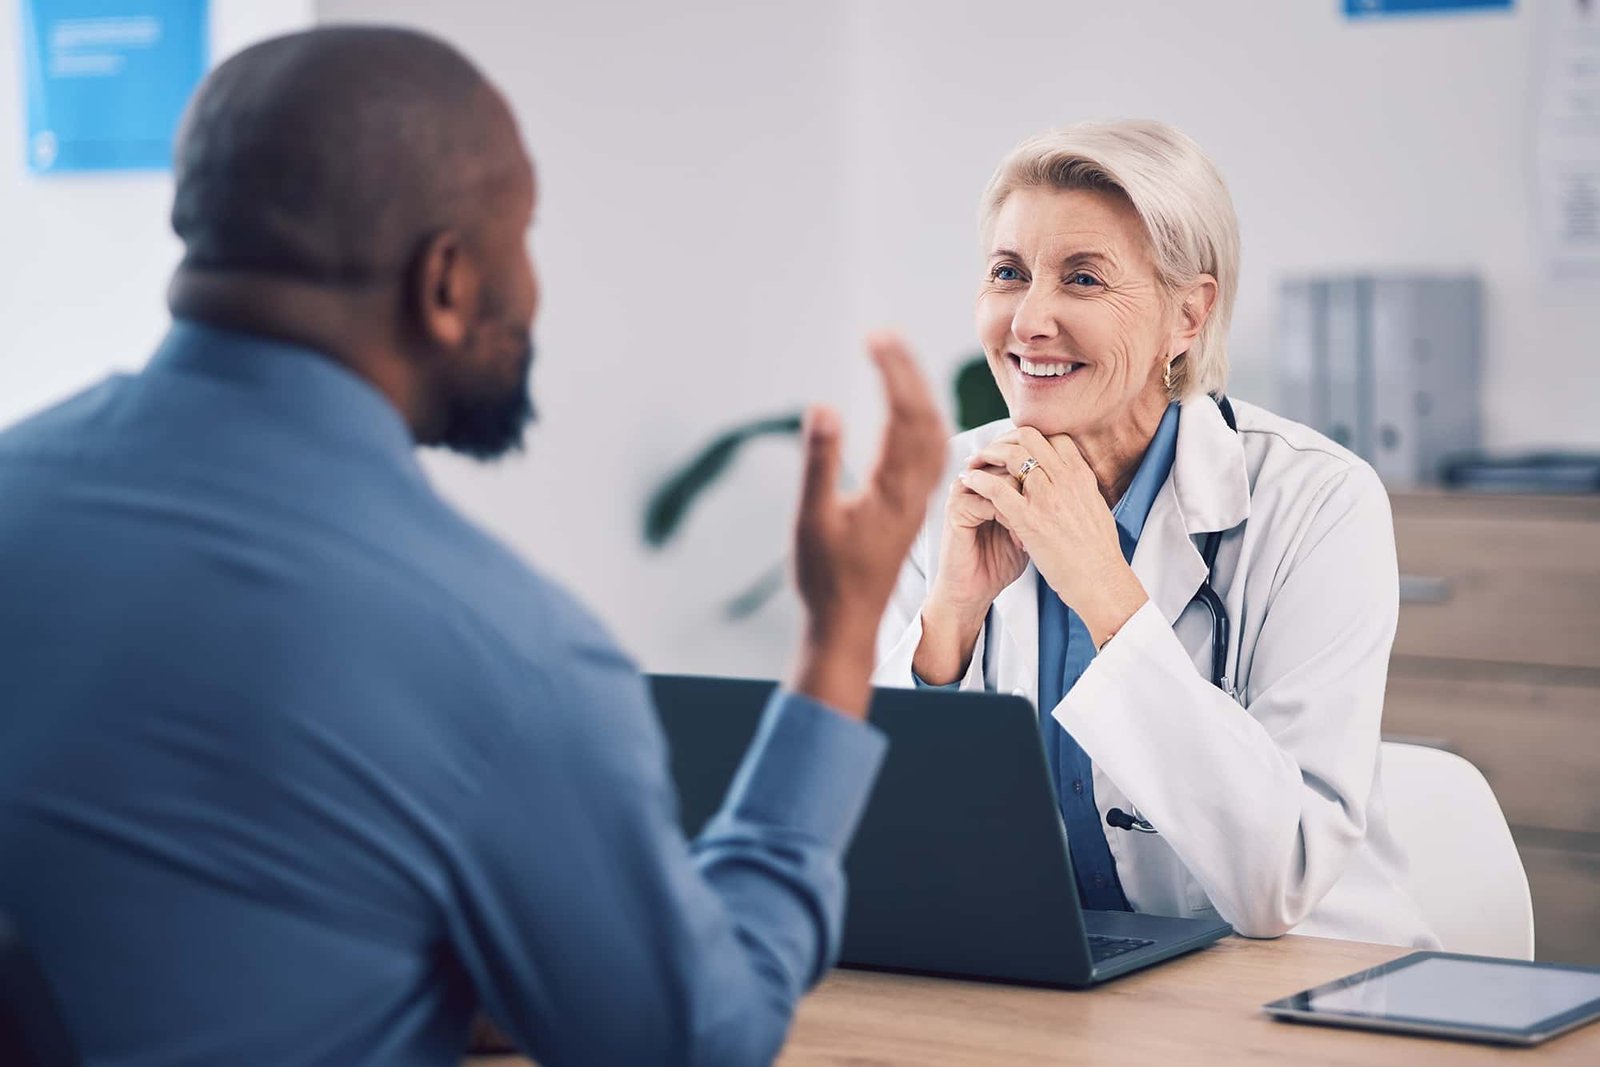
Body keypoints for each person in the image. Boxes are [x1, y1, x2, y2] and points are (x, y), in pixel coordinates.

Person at [0, 27, 947, 1067]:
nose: (533, 287)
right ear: (445, 281)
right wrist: (840, 636)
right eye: (524, 234)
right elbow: (696, 1040)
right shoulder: (499, 653)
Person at [875, 119, 1436, 947]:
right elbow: (866, 852)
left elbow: (1277, 878)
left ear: (1188, 314)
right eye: (1009, 273)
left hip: (1298, 989)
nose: (1029, 319)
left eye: (1084, 279)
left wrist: (1104, 591)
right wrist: (949, 620)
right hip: (1056, 987)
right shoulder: (940, 490)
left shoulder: (1319, 500)